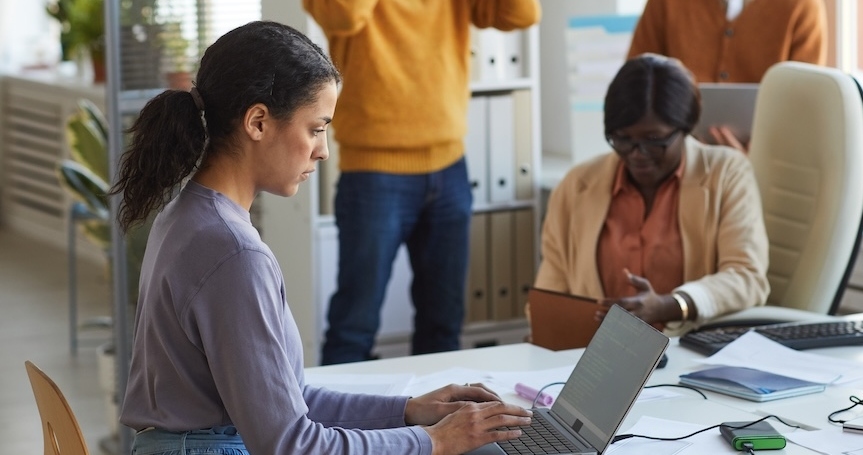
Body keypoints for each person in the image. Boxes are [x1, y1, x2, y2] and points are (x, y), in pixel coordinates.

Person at [111, 21, 531, 454]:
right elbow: (293, 444)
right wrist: (435, 442)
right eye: (315, 128)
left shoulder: (187, 215)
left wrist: (409, 411)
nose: (323, 150)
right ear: (257, 122)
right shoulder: (233, 251)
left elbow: (286, 403)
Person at [302, 1, 542, 365]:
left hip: (450, 164)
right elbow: (344, 14)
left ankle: (440, 422)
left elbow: (520, 15)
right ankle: (328, 420)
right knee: (355, 322)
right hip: (373, 169)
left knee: (444, 323)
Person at [533, 54, 769, 330]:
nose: (637, 154)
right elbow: (552, 290)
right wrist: (544, 334)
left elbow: (747, 276)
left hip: (687, 353)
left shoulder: (726, 173)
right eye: (623, 139)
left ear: (686, 129)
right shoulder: (579, 183)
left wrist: (672, 305)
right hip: (596, 357)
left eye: (654, 140)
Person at [627, 0, 827, 149]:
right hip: (675, 163)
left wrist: (758, 155)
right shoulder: (665, 4)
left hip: (768, 169)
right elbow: (633, 86)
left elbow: (803, 107)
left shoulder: (802, 6)